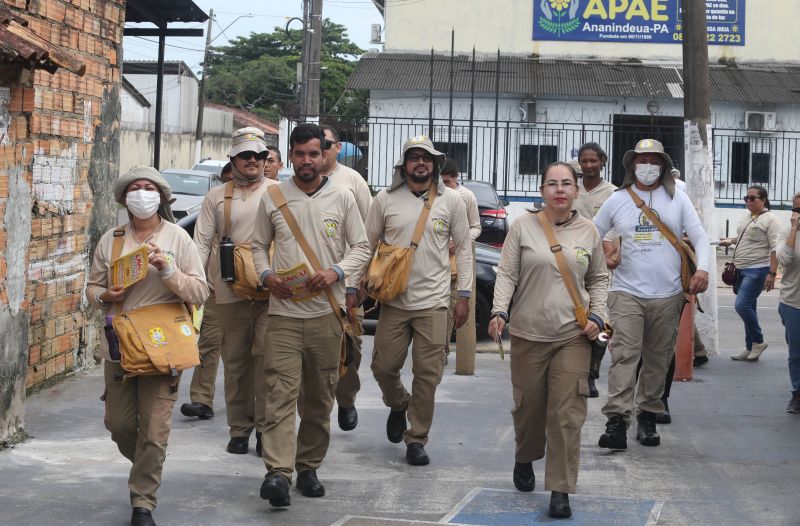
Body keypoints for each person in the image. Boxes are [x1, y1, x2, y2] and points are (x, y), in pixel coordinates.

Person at [251, 123, 371, 507]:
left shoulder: (342, 196)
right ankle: (278, 473)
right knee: (279, 395)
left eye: (313, 154)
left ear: (325, 156)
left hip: (327, 314)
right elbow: (255, 247)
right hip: (283, 314)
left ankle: (308, 467)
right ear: (290, 157)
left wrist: (336, 272)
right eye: (299, 154)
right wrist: (268, 276)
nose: (306, 160)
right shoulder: (273, 197)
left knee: (320, 398)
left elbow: (362, 246)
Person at [87, 166, 209, 526]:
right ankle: (145, 466)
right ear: (125, 198)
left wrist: (168, 270)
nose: (142, 194)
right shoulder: (111, 239)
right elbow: (91, 288)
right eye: (135, 188)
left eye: (149, 188)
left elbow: (200, 292)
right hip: (119, 345)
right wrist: (105, 294)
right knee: (120, 426)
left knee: (154, 433)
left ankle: (143, 501)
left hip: (163, 346)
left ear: (161, 196)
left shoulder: (177, 238)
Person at [489, 162, 608, 519]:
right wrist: (499, 311)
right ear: (542, 190)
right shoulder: (523, 226)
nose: (559, 189)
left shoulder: (589, 231)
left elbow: (599, 279)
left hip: (573, 337)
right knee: (529, 410)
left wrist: (599, 316)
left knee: (567, 415)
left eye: (567, 184)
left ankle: (560, 489)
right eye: (552, 184)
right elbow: (507, 273)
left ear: (576, 191)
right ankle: (525, 456)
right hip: (528, 333)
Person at [593, 138, 710, 450]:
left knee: (657, 359)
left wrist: (704, 270)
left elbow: (699, 235)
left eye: (654, 160)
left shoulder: (678, 198)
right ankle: (616, 421)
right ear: (632, 164)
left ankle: (647, 415)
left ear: (664, 165)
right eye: (642, 160)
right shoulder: (617, 199)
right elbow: (594, 232)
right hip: (625, 292)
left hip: (669, 293)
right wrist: (605, 251)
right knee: (624, 356)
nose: (647, 166)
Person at [365, 135, 473, 466]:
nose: (421, 163)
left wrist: (465, 293)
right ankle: (399, 404)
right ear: (404, 165)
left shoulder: (452, 201)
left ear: (435, 164)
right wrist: (353, 287)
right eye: (414, 157)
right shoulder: (384, 199)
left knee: (428, 375)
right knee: (383, 368)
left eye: (426, 158)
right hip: (394, 301)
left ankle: (417, 437)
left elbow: (465, 247)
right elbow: (365, 244)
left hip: (435, 301)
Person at [194, 127, 277, 455]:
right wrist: (196, 283)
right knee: (236, 363)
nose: (254, 161)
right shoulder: (216, 196)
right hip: (229, 291)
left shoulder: (278, 192)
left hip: (270, 291)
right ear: (233, 160)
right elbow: (201, 242)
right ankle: (239, 429)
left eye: (260, 156)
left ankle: (264, 429)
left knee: (266, 361)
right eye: (246, 156)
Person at [320, 125, 374, 431]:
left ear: (337, 147)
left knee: (350, 346)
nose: (322, 150)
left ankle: (347, 398)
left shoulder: (352, 181)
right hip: (310, 286)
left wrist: (357, 280)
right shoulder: (299, 185)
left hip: (347, 282)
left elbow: (366, 236)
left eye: (326, 144)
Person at [180, 160, 234, 421]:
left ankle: (252, 405)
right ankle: (201, 399)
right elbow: (199, 244)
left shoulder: (268, 199)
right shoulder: (214, 204)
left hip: (256, 293)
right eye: (227, 179)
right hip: (215, 288)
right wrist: (196, 282)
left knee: (248, 354)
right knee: (208, 344)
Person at [573, 143, 617, 398]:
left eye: (593, 161)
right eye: (584, 161)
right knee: (575, 319)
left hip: (601, 266)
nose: (588, 166)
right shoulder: (571, 189)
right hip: (572, 265)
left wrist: (611, 254)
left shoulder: (613, 193)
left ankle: (592, 372)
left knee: (603, 323)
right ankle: (574, 372)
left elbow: (616, 229)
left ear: (602, 161)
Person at [721, 185, 781, 361]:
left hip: (757, 270)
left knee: (742, 306)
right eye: (746, 198)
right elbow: (744, 238)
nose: (748, 201)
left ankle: (758, 341)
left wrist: (772, 273)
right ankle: (750, 347)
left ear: (763, 200)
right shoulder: (748, 217)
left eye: (752, 198)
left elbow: (775, 248)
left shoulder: (771, 220)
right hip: (740, 268)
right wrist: (730, 241)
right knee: (750, 307)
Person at [440, 159, 481, 359]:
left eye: (447, 182)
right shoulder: (434, 194)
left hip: (456, 261)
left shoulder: (466, 196)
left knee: (449, 308)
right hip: (432, 262)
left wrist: (459, 241)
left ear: (455, 178)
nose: (444, 186)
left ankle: (443, 350)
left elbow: (476, 227)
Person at [777, 193, 800, 413]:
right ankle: (797, 393)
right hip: (793, 303)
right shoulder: (785, 233)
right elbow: (785, 259)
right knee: (796, 352)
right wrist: (794, 230)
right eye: (796, 210)